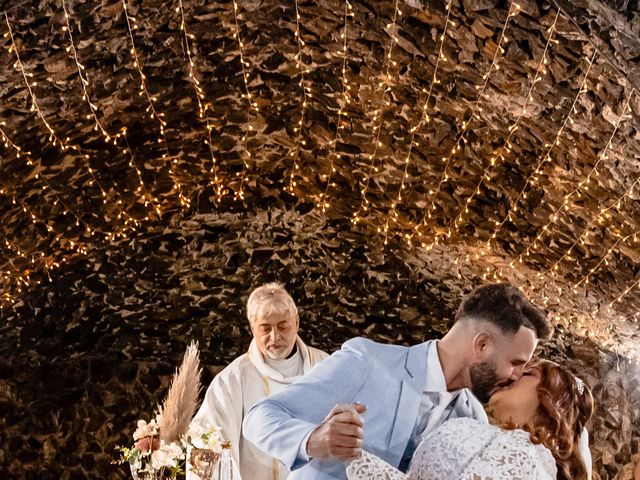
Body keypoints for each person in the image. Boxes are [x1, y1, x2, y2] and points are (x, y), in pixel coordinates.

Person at [243, 283, 552, 479]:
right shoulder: (367, 361)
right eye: (515, 363)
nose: (515, 376)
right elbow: (260, 417)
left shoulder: (474, 420)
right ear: (482, 345)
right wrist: (314, 439)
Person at [346, 359, 594, 480]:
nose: (513, 375)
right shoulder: (506, 441)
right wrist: (351, 454)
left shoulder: (525, 454)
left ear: (551, 400)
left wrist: (352, 457)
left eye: (528, 373)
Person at [190, 282, 328, 480]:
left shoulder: (324, 367)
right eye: (265, 328)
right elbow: (207, 441)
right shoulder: (232, 380)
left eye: (283, 326)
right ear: (252, 327)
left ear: (296, 322)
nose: (275, 337)